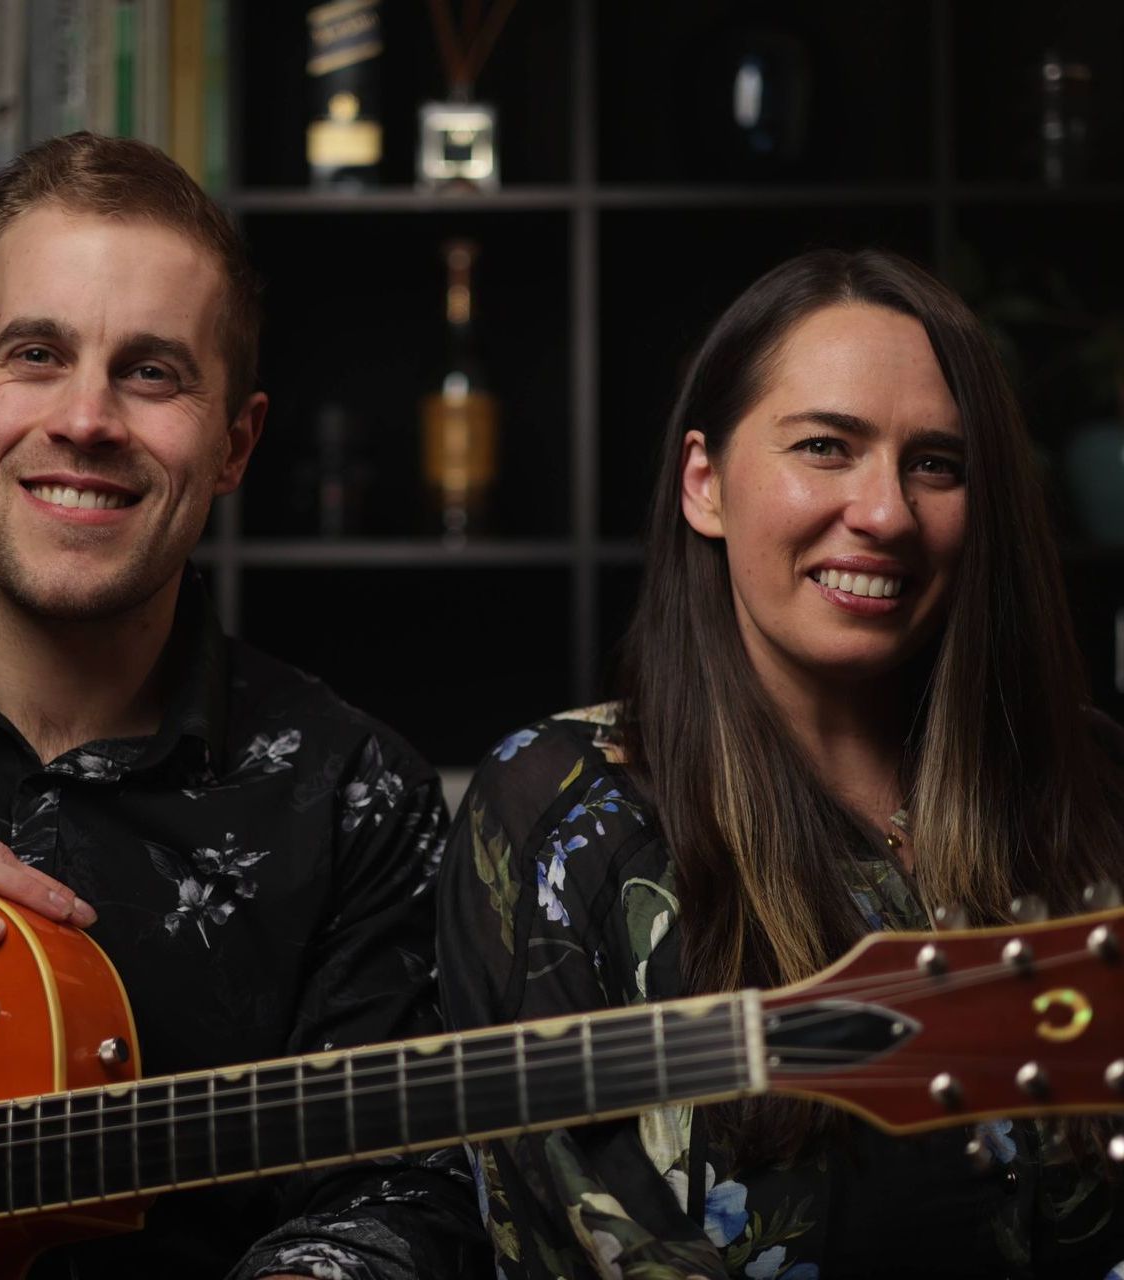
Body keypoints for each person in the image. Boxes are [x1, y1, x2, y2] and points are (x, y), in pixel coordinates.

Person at [0, 132, 486, 1280]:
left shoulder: (356, 801)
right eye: (36, 352)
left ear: (235, 442)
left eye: (151, 371)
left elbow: (395, 1192)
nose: (86, 418)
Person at [437, 248, 1124, 1279]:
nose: (884, 511)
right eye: (824, 445)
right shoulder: (558, 812)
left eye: (934, 462)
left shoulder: (1092, 777)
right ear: (704, 485)